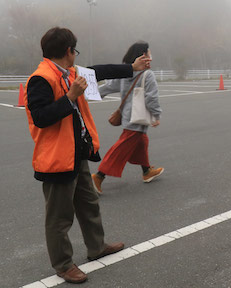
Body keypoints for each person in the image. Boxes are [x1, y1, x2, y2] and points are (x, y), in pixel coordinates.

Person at [25, 27, 150, 284]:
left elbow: (99, 70)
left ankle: (97, 247)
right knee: (59, 217)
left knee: (88, 203)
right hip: (57, 159)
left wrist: (132, 67)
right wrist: (71, 97)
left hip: (77, 152)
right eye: (75, 50)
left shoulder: (69, 72)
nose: (76, 56)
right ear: (68, 51)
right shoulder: (41, 78)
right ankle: (62, 264)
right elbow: (40, 117)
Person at [92, 41, 163, 194]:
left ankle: (146, 171)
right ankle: (98, 176)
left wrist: (88, 94)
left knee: (141, 141)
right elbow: (152, 98)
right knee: (121, 148)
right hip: (139, 117)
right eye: (149, 53)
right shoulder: (148, 74)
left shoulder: (125, 72)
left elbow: (108, 87)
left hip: (128, 116)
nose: (151, 56)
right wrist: (156, 115)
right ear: (144, 56)